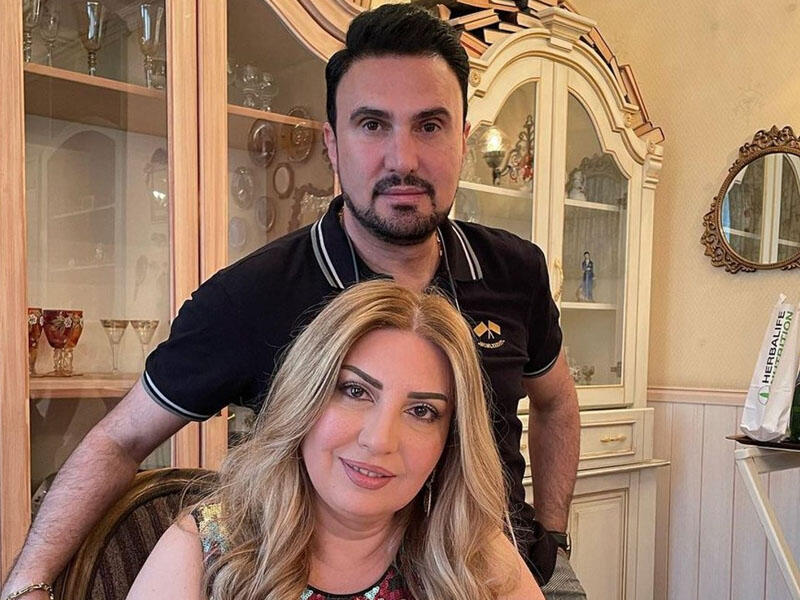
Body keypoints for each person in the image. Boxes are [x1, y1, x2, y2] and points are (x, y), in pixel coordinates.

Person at [2, 5, 583, 599]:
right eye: (372, 124)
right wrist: (28, 583)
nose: (403, 159)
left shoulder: (516, 270)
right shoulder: (251, 298)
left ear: (463, 139)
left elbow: (557, 401)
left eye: (429, 126)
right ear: (332, 143)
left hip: (504, 564)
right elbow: (120, 439)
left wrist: (552, 538)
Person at [126, 280, 542, 600]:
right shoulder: (204, 551)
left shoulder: (473, 558)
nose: (379, 440)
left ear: (450, 441)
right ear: (303, 398)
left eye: (422, 411)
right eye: (355, 391)